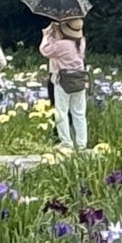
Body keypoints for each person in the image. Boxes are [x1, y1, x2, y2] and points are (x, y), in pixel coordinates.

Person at [39, 17, 88, 149]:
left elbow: (45, 50)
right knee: (79, 112)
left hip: (63, 80)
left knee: (62, 112)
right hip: (79, 78)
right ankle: (82, 143)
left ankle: (66, 142)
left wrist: (47, 35)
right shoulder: (81, 41)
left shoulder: (62, 45)